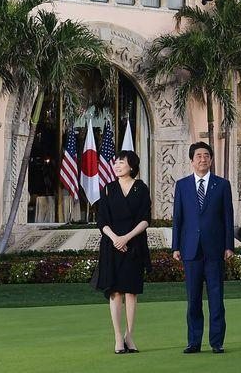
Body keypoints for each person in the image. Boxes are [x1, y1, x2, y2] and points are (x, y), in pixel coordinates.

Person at [172, 141, 234, 354]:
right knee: (193, 299)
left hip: (215, 250)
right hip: (190, 250)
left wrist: (229, 245)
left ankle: (217, 342)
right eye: (198, 156)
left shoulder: (222, 185)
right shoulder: (182, 185)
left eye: (206, 155)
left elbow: (228, 217)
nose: (202, 159)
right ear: (192, 160)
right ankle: (194, 342)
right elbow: (178, 218)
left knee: (216, 298)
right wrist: (175, 246)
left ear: (211, 159)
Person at [95, 150, 151, 354]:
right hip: (112, 246)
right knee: (115, 291)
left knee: (131, 292)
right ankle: (118, 338)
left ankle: (130, 335)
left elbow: (145, 219)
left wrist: (126, 238)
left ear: (132, 166)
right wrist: (116, 239)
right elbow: (102, 220)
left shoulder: (141, 189)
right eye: (116, 163)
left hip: (134, 246)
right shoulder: (108, 189)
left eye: (122, 162)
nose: (117, 166)